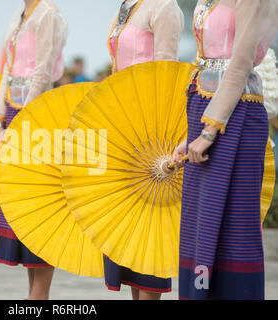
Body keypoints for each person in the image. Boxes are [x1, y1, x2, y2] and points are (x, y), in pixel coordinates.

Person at [173, 0, 278, 300]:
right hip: (204, 106)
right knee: (198, 223)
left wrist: (209, 129)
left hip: (239, 112)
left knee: (233, 226)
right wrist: (193, 131)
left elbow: (241, 63)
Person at [103, 0, 183, 300]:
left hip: (149, 125)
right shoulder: (126, 6)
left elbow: (166, 71)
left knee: (150, 218)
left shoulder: (164, 7)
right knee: (128, 217)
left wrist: (156, 127)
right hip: (121, 120)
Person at [0, 0, 67, 300]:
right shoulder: (19, 15)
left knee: (40, 205)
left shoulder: (47, 13)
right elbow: (6, 71)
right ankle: (33, 295)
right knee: (20, 204)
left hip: (36, 117)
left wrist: (26, 121)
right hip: (13, 112)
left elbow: (43, 70)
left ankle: (39, 296)